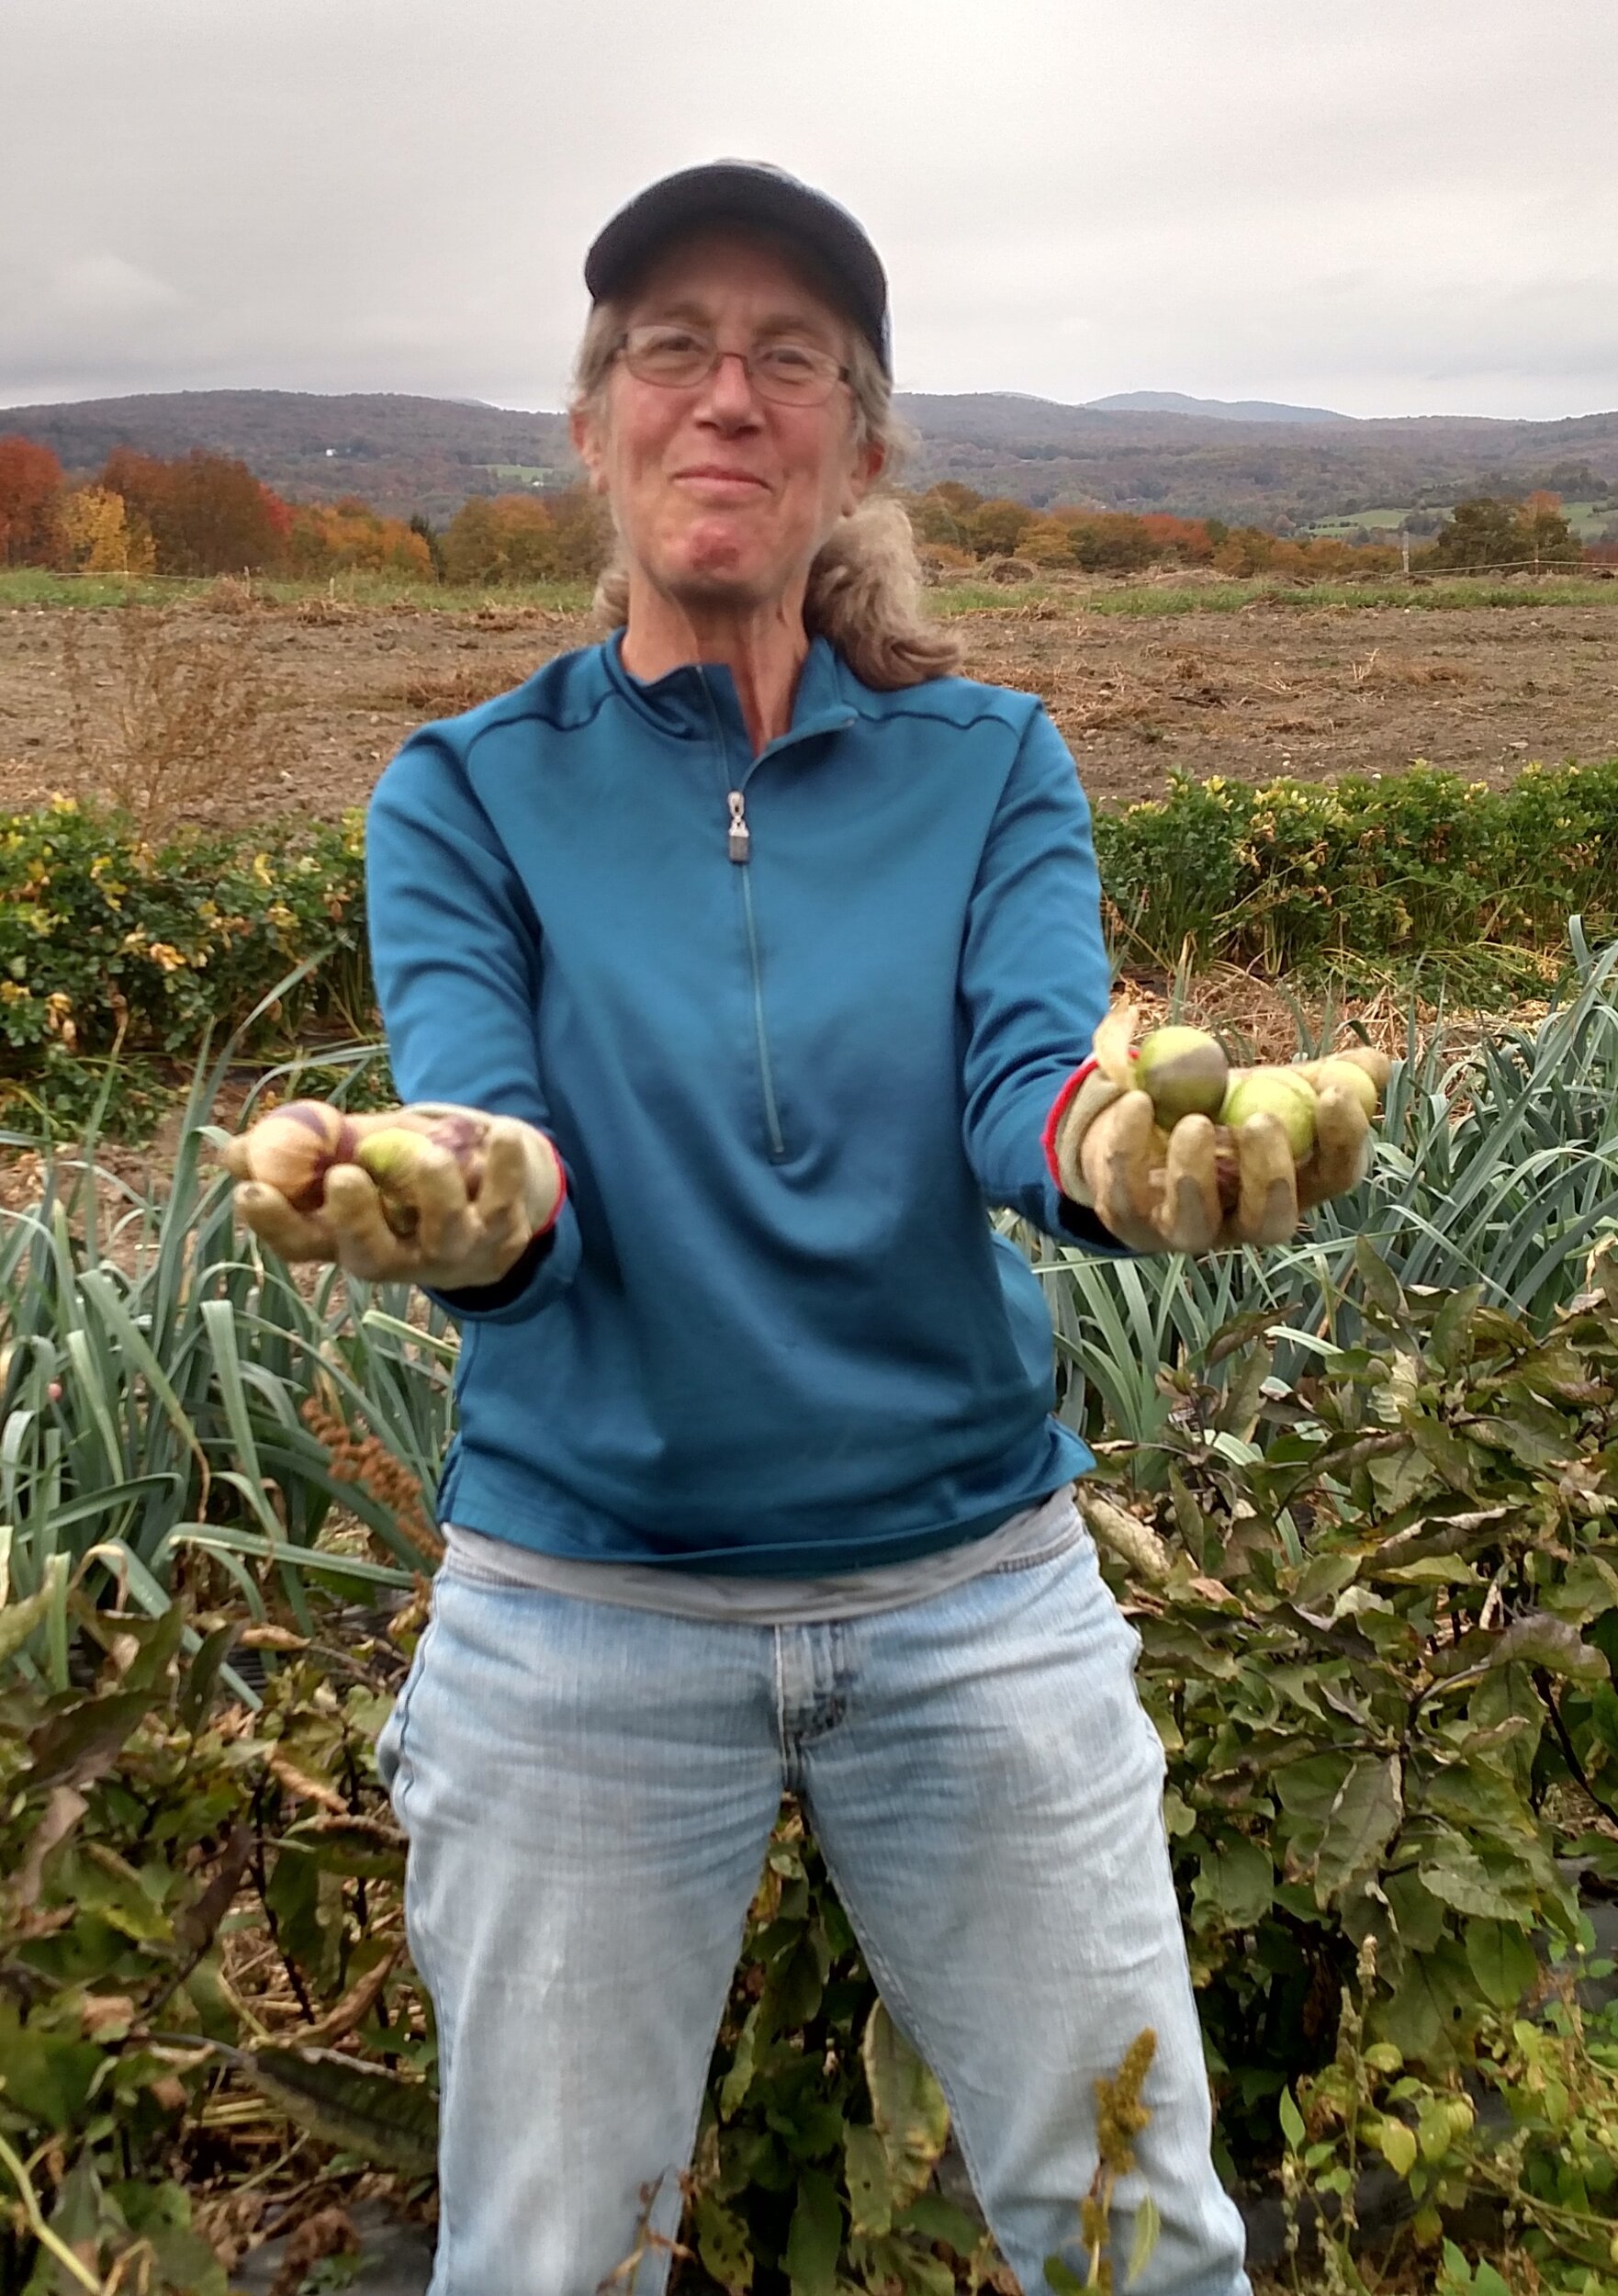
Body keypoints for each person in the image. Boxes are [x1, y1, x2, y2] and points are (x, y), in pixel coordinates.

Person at [227, 162, 1378, 2296]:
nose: (725, 396)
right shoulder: (465, 791)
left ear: (858, 444)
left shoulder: (990, 761)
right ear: (592, 428)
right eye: (671, 348)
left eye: (789, 360)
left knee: (1139, 2236)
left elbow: (1026, 1082)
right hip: (583, 1625)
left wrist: (1125, 1153)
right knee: (548, 2260)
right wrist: (463, 1193)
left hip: (972, 1603)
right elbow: (503, 1137)